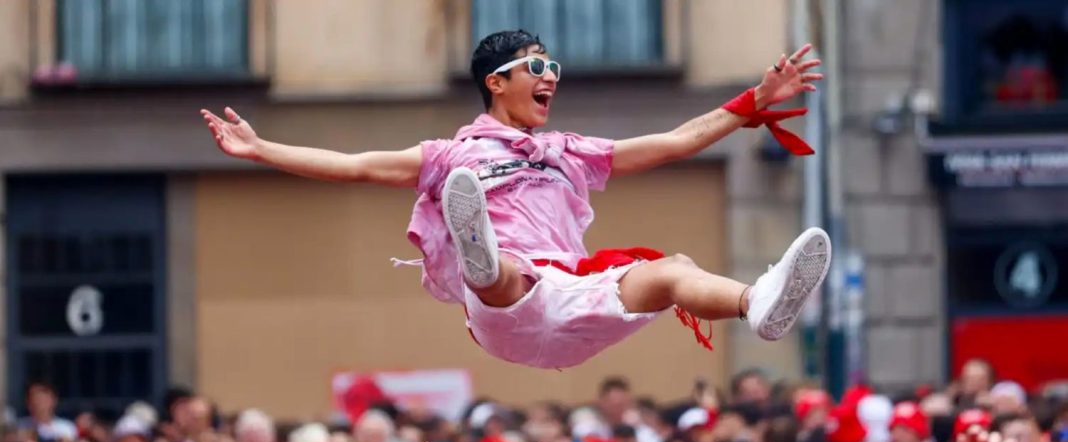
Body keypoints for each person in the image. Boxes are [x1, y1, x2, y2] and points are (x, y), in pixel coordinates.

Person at [201, 31, 829, 370]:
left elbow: (672, 142)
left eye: (553, 66)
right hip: (509, 309)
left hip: (570, 303)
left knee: (672, 271)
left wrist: (752, 101)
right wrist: (262, 150)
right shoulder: (450, 152)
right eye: (536, 66)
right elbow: (356, 166)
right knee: (505, 274)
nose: (550, 76)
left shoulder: (567, 147)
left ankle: (759, 304)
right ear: (496, 82)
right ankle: (480, 256)